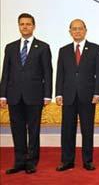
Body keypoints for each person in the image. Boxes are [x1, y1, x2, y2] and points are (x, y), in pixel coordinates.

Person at [0, 13, 52, 174]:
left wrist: (47, 95)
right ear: (18, 26)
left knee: (33, 130)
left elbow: (47, 72)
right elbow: (6, 73)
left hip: (35, 96)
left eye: (28, 24)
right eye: (22, 24)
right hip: (14, 96)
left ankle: (31, 162)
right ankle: (19, 162)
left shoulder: (43, 47)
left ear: (33, 26)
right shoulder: (10, 47)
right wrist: (2, 95)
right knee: (17, 130)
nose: (25, 27)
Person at [55, 19, 99, 171]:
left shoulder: (96, 49)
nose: (77, 31)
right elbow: (60, 74)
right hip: (68, 95)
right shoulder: (63, 50)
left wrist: (97, 92)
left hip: (88, 96)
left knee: (87, 130)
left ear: (85, 30)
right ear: (70, 32)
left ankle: (87, 161)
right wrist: (58, 93)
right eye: (74, 29)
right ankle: (67, 160)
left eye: (80, 28)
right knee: (67, 129)